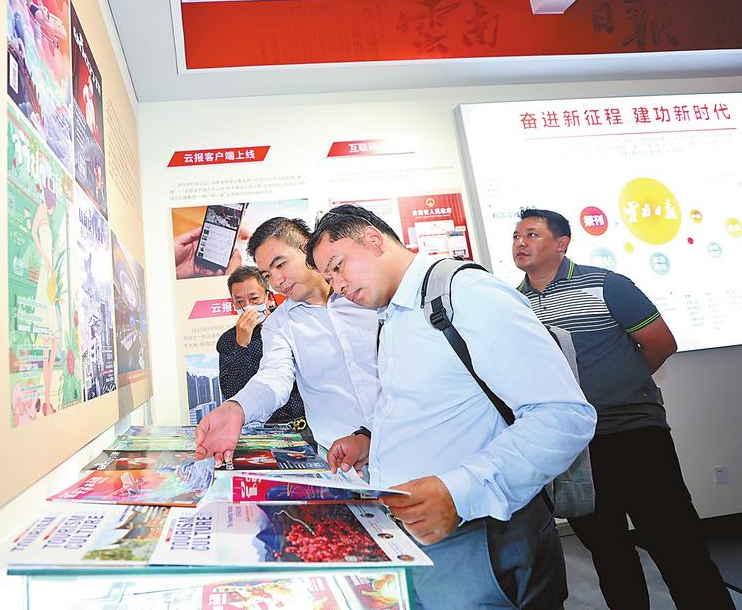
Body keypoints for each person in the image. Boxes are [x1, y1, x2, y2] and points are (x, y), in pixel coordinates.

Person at [307, 204, 596, 610]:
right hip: (420, 538)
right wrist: (369, 440)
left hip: (481, 537)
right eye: (328, 278)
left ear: (373, 239)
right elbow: (431, 404)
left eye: (338, 267)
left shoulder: (465, 294)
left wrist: (458, 491)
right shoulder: (395, 315)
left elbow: (564, 415)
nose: (337, 286)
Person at [512, 208, 732, 610]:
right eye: (516, 236)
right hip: (574, 448)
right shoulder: (515, 304)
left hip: (634, 434)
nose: (520, 243)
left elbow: (661, 343)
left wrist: (622, 386)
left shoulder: (606, 284)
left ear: (561, 244)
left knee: (676, 544)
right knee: (608, 551)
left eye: (532, 234)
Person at [195, 217, 380, 468]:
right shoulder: (279, 324)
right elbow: (274, 377)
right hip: (340, 461)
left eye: (280, 264)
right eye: (267, 275)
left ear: (307, 248)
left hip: (406, 442)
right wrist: (237, 408)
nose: (277, 281)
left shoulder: (365, 294)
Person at [216, 266, 313, 443]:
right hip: (265, 431)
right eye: (240, 301)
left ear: (268, 297)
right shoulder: (228, 340)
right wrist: (241, 345)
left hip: (312, 424)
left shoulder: (290, 324)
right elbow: (231, 391)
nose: (248, 307)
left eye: (254, 299)